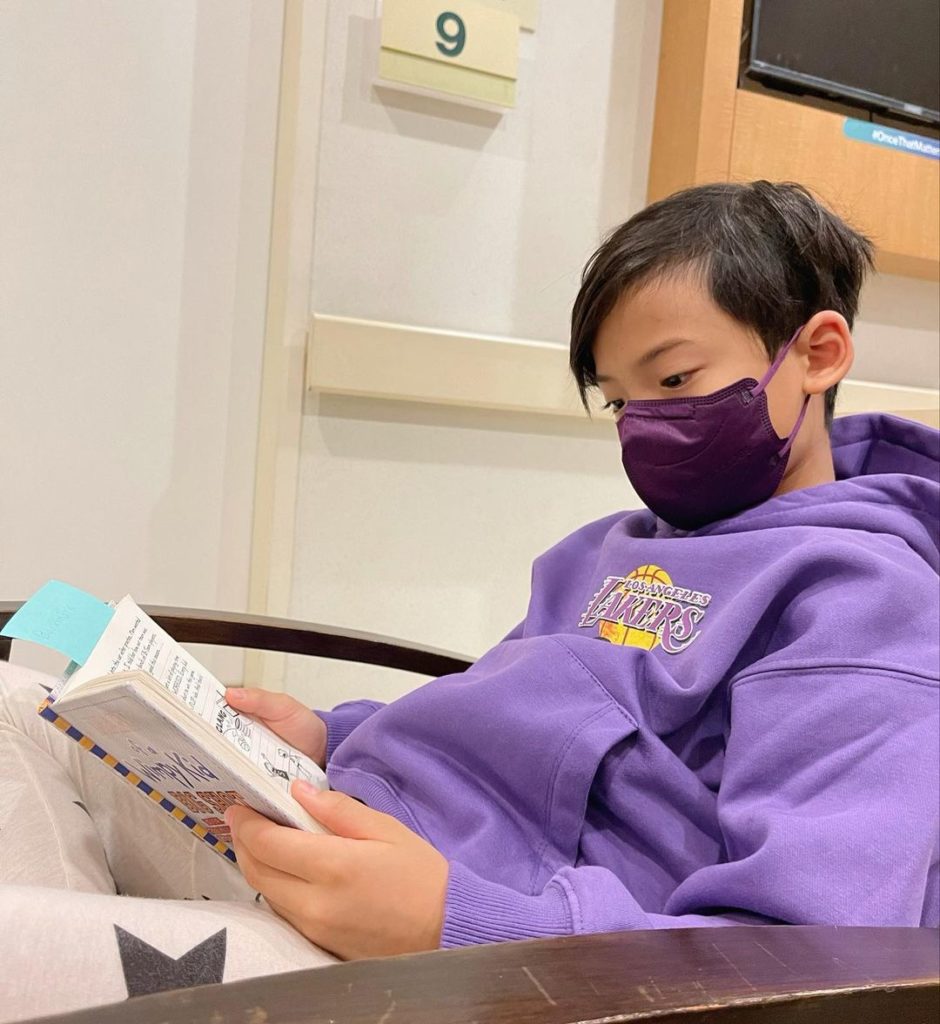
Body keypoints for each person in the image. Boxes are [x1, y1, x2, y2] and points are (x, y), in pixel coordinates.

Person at [2, 181, 937, 1018]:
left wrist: (453, 924)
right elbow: (502, 716)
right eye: (621, 401)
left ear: (818, 353)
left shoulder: (861, 606)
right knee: (17, 709)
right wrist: (330, 731)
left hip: (459, 967)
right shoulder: (612, 550)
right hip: (338, 832)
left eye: (675, 380)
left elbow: (807, 955)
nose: (646, 424)